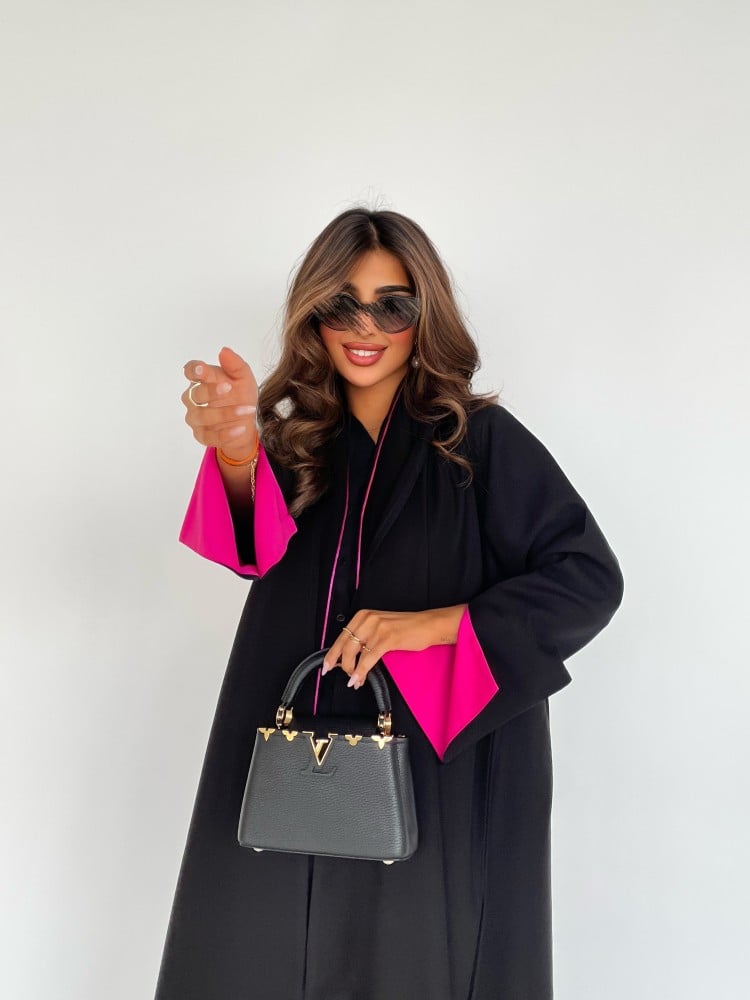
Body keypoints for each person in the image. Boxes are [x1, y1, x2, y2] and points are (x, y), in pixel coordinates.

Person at [154, 207, 625, 1000]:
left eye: (392, 305)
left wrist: (434, 626)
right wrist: (237, 450)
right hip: (296, 751)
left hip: (439, 764)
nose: (364, 326)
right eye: (342, 304)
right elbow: (251, 550)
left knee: (419, 957)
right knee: (268, 947)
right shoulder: (299, 442)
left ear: (423, 314)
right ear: (314, 313)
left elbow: (587, 577)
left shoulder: (478, 442)